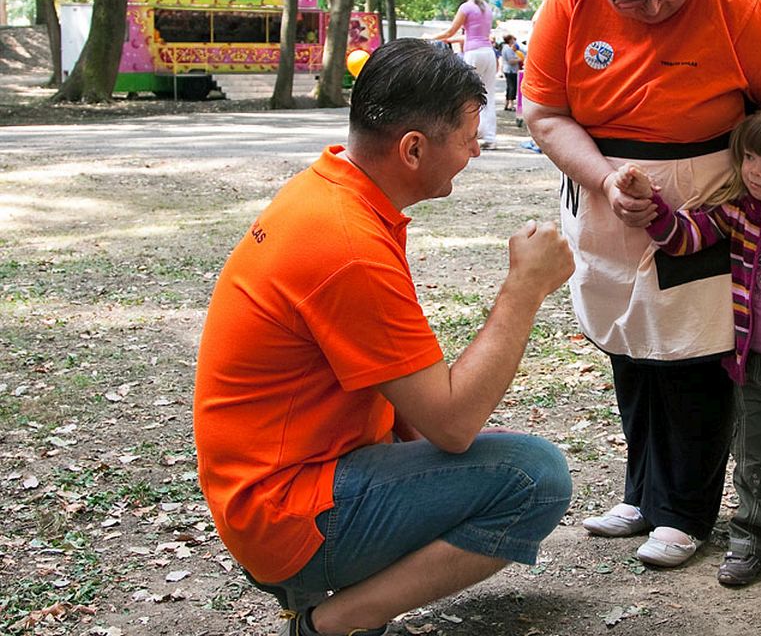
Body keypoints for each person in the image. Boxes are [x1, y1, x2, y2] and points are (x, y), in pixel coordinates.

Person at [193, 38, 575, 636]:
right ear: (413, 148)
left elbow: (408, 396)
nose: (477, 149)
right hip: (286, 515)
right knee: (534, 476)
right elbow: (453, 423)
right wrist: (524, 289)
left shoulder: (331, 191)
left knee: (490, 450)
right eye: (468, 137)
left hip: (282, 487)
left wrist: (442, 453)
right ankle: (335, 622)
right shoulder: (347, 244)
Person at [521, 0, 761, 569]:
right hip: (601, 190)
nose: (654, 7)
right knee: (629, 344)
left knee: (693, 349)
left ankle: (685, 512)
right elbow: (544, 111)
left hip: (706, 198)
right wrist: (604, 180)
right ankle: (643, 493)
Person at [613, 102, 761, 593]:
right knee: (752, 461)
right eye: (749, 158)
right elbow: (684, 238)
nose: (754, 171)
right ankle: (750, 541)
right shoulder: (741, 212)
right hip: (751, 365)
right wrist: (652, 203)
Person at [429, 0, 498, 148]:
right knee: (489, 94)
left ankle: (471, 134)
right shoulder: (487, 8)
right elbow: (475, 35)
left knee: (468, 94)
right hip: (488, 53)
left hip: (473, 53)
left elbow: (451, 31)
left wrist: (430, 37)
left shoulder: (466, 8)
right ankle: (489, 136)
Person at [500, 34, 524, 111]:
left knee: (509, 87)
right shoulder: (508, 49)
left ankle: (507, 103)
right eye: (513, 39)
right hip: (511, 70)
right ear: (510, 40)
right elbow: (511, 61)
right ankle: (511, 104)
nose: (514, 41)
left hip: (508, 70)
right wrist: (520, 59)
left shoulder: (505, 48)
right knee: (512, 87)